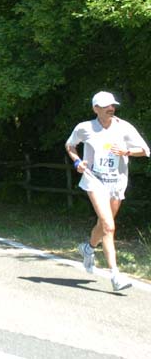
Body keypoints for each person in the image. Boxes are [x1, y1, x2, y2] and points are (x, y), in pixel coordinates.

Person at [66, 91, 149, 291]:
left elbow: (145, 150)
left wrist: (126, 151)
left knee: (103, 225)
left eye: (112, 105)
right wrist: (77, 161)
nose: (111, 108)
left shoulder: (124, 127)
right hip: (94, 181)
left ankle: (88, 248)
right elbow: (70, 145)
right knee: (109, 227)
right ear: (96, 109)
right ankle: (115, 276)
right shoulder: (85, 128)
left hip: (117, 183)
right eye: (106, 106)